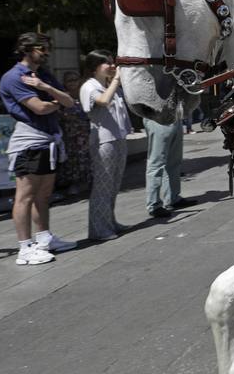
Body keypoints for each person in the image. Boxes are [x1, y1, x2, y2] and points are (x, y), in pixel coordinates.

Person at [0, 33, 76, 265]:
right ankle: (25, 248)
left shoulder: (43, 75)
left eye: (48, 47)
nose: (46, 52)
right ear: (26, 49)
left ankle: (44, 239)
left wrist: (45, 87)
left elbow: (69, 101)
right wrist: (55, 103)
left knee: (43, 195)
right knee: (25, 197)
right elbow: (39, 108)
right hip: (29, 142)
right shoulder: (14, 77)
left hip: (48, 140)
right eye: (42, 48)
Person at [80, 50, 133, 241]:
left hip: (118, 138)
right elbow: (103, 101)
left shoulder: (109, 85)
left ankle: (109, 221)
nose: (112, 66)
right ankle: (99, 229)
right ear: (95, 67)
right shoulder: (89, 86)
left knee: (114, 184)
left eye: (113, 62)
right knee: (102, 186)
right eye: (107, 63)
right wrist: (116, 80)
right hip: (103, 141)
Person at [144, 105, 195, 219]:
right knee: (156, 163)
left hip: (174, 116)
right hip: (157, 116)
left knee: (174, 161)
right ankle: (153, 205)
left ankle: (173, 198)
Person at [54, 71, 92, 199]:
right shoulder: (62, 96)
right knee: (72, 159)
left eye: (75, 79)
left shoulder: (84, 93)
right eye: (69, 80)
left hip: (85, 131)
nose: (72, 83)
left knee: (86, 157)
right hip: (69, 133)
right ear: (64, 83)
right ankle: (74, 183)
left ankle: (88, 181)